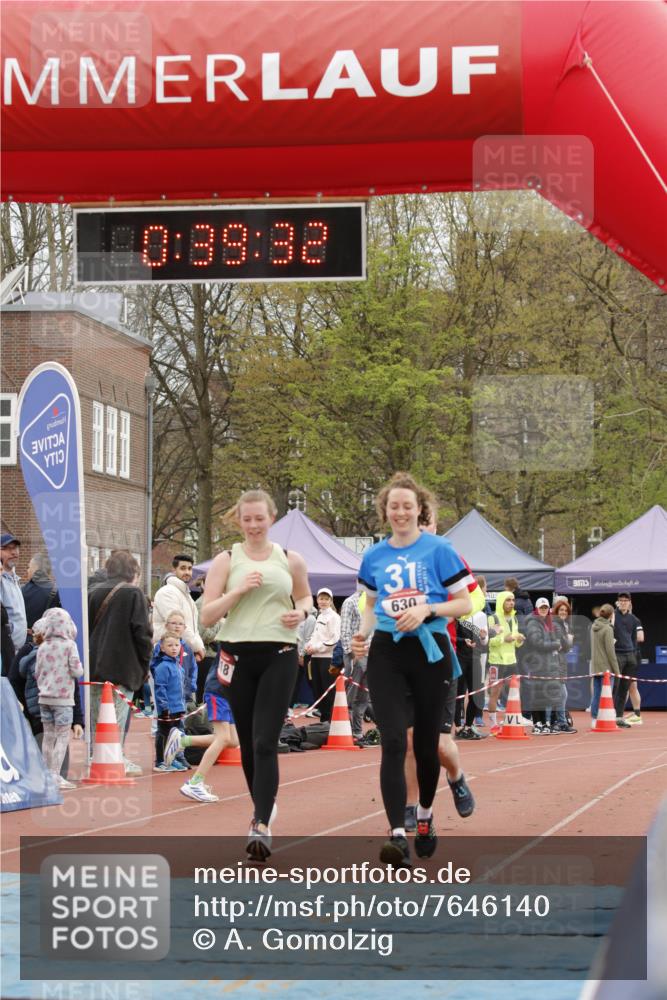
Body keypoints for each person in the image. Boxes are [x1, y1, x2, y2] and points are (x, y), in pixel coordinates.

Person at [351, 472, 474, 868]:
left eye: (408, 506)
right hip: (388, 652)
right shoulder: (374, 557)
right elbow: (371, 605)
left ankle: (423, 815)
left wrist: (427, 609)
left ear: (420, 509)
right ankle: (396, 834)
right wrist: (362, 635)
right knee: (392, 742)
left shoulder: (439, 549)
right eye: (393, 506)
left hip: (430, 650)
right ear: (384, 511)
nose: (400, 512)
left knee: (425, 745)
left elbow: (465, 605)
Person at [200, 489, 312, 860]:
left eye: (259, 518)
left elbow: (305, 597)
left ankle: (260, 824)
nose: (252, 525)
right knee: (248, 742)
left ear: (272, 518)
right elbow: (208, 616)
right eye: (246, 519)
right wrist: (237, 592)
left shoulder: (289, 559)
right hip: (237, 655)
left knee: (265, 740)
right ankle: (263, 806)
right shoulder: (226, 559)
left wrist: (303, 614)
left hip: (279, 651)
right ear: (239, 521)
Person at [88, 550, 153, 775]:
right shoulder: (134, 594)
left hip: (94, 663)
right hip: (123, 665)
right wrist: (145, 663)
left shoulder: (94, 592)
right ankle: (115, 757)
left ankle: (93, 756)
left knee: (97, 714)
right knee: (117, 715)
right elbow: (142, 632)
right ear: (132, 570)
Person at [164, 651, 240, 802]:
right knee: (223, 737)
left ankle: (183, 740)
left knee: (233, 741)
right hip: (218, 692)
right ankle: (195, 783)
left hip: (229, 694)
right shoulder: (239, 639)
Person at [34, 608, 83, 790]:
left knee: (48, 736)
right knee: (62, 736)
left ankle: (46, 773)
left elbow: (37, 672)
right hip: (62, 699)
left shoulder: (43, 646)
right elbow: (77, 671)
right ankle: (55, 774)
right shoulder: (69, 645)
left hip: (44, 697)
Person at [523, 598, 575, 734]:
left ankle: (545, 723)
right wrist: (555, 644)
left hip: (546, 664)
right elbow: (536, 642)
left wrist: (557, 642)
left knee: (543, 696)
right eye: (541, 608)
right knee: (538, 695)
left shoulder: (547, 622)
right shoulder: (533, 623)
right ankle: (538, 724)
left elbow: (556, 641)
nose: (544, 610)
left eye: (546, 608)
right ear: (536, 608)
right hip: (537, 663)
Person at [485, 590, 525, 734]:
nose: (511, 603)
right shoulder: (494, 619)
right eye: (508, 600)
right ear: (501, 601)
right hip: (497, 661)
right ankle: (493, 724)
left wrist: (519, 640)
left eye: (513, 600)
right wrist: (504, 639)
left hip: (511, 661)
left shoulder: (514, 619)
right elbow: (491, 641)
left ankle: (512, 720)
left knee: (515, 691)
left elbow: (515, 643)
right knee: (495, 692)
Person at [153, 554, 205, 661]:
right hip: (169, 653)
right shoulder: (168, 592)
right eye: (183, 568)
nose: (187, 572)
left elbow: (193, 626)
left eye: (190, 569)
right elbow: (176, 625)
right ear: (173, 570)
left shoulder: (186, 595)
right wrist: (197, 647)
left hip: (184, 650)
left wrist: (198, 647)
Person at [304, 588, 341, 724]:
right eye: (321, 598)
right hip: (315, 658)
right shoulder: (320, 616)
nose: (323, 601)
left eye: (326, 599)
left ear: (331, 601)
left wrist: (317, 648)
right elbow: (316, 635)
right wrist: (309, 645)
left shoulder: (334, 617)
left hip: (328, 659)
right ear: (317, 600)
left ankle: (330, 722)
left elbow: (334, 639)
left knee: (328, 691)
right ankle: (324, 721)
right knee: (318, 691)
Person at [340, 590, 371, 745]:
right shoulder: (350, 602)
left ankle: (358, 733)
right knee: (350, 696)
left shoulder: (373, 601)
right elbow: (345, 631)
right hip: (356, 654)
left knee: (363, 697)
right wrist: (351, 655)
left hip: (371, 654)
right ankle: (346, 731)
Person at [152, 634, 187, 770]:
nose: (174, 648)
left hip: (178, 708)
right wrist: (164, 707)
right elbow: (160, 688)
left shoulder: (179, 667)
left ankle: (170, 760)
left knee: (175, 736)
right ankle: (160, 762)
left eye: (176, 645)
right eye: (170, 645)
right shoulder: (162, 667)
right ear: (162, 647)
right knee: (164, 734)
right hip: (167, 710)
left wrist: (183, 705)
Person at [590, 604, 625, 726]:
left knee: (597, 693)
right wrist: (617, 671)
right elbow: (611, 652)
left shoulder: (594, 626)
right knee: (606, 695)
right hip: (606, 668)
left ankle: (594, 718)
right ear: (611, 615)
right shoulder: (608, 629)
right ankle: (605, 718)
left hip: (595, 666)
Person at [613, 593, 644, 726]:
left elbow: (635, 638)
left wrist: (632, 654)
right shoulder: (612, 616)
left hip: (630, 656)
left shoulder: (633, 619)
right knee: (615, 686)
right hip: (617, 655)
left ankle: (619, 718)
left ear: (629, 602)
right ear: (618, 602)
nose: (623, 602)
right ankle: (609, 715)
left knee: (625, 688)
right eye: (621, 600)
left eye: (626, 600)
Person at [1, 532, 27, 658]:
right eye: (8, 549)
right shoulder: (1, 581)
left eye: (16, 548)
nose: (14, 552)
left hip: (16, 652)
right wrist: (11, 632)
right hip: (5, 653)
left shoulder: (14, 579)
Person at [551, 597, 575, 730]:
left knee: (560, 694)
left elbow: (564, 647)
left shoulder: (565, 625)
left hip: (561, 663)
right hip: (554, 663)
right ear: (556, 610)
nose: (563, 612)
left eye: (566, 610)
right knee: (561, 694)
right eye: (561, 610)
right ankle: (560, 722)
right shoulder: (556, 624)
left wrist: (566, 642)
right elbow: (563, 644)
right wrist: (568, 640)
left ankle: (558, 721)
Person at [21, 552, 60, 630]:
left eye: (29, 567)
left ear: (35, 568)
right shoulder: (58, 592)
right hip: (49, 639)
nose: (27, 571)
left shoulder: (21, 591)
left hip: (25, 639)